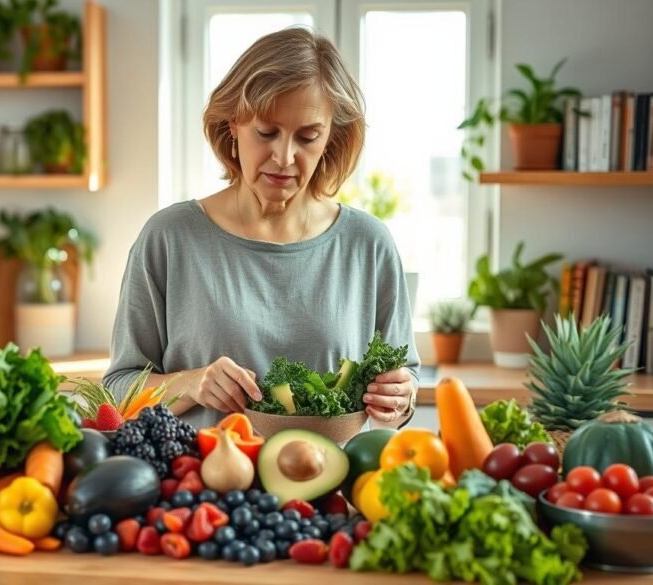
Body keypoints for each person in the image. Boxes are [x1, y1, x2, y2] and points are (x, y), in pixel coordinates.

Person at [103, 27, 420, 432]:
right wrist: (192, 383)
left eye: (308, 137)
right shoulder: (170, 238)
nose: (285, 157)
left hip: (329, 489)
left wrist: (400, 396)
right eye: (266, 132)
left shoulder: (368, 244)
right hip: (201, 485)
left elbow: (405, 379)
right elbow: (118, 390)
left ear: (331, 139)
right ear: (233, 124)